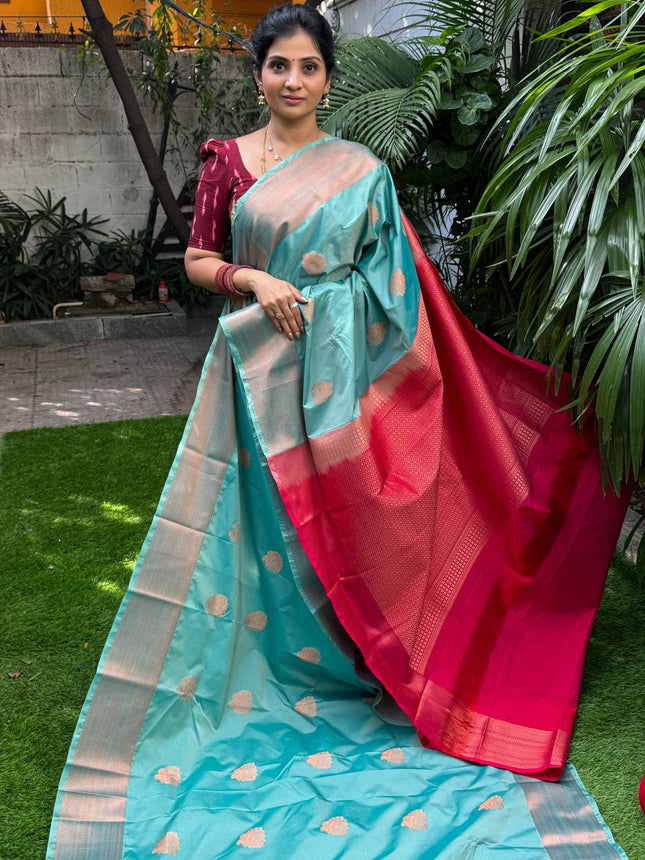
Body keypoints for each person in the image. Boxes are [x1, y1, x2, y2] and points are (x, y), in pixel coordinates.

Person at [47, 5, 630, 858]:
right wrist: (253, 280)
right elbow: (198, 259)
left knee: (343, 523)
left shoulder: (360, 170)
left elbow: (394, 286)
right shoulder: (226, 163)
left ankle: (360, 657)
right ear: (258, 75)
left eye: (309, 67)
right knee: (258, 533)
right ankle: (265, 670)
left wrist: (337, 325)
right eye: (278, 65)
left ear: (327, 78)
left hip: (341, 380)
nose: (293, 81)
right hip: (254, 381)